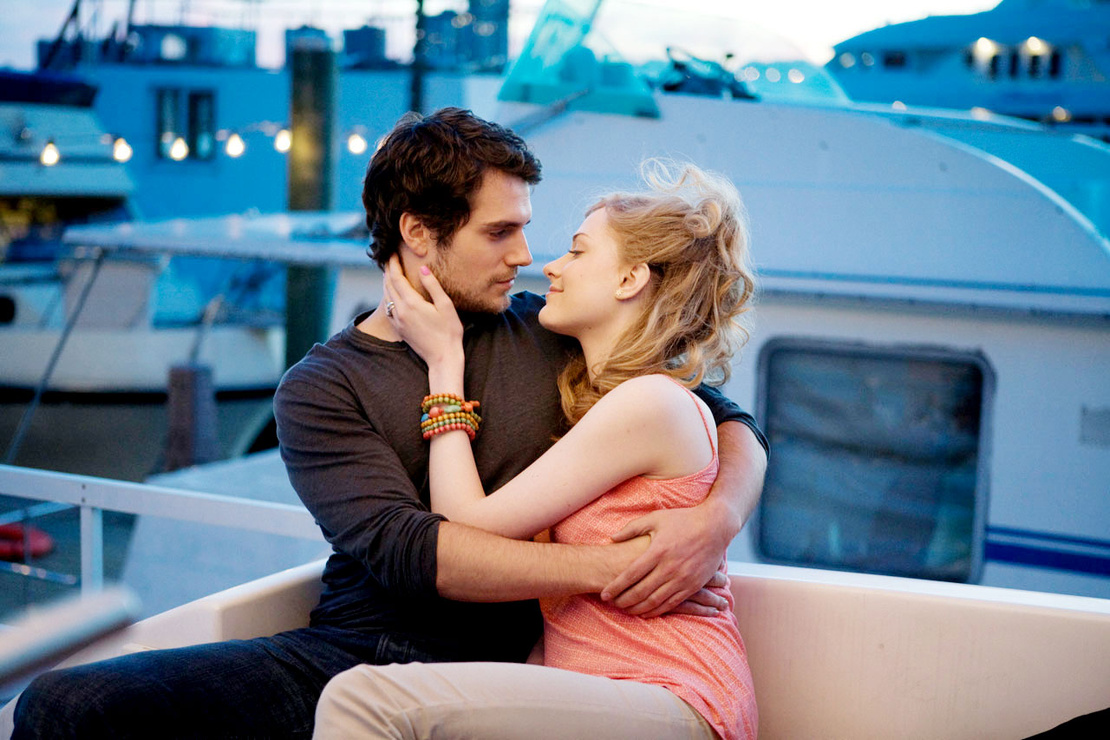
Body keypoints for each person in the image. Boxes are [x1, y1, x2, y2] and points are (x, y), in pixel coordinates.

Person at [7, 108, 766, 739]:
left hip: (524, 663)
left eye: (526, 229)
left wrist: (715, 521)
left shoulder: (551, 328)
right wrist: (615, 571)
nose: (526, 257)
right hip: (358, 647)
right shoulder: (321, 388)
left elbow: (723, 418)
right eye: (498, 233)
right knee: (65, 704)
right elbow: (418, 554)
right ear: (420, 233)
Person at [312, 160, 758, 739]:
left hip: (675, 695)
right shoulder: (614, 398)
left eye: (577, 251)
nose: (546, 264)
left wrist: (445, 364)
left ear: (629, 280)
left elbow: (466, 524)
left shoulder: (649, 402)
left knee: (362, 700)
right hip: (606, 695)